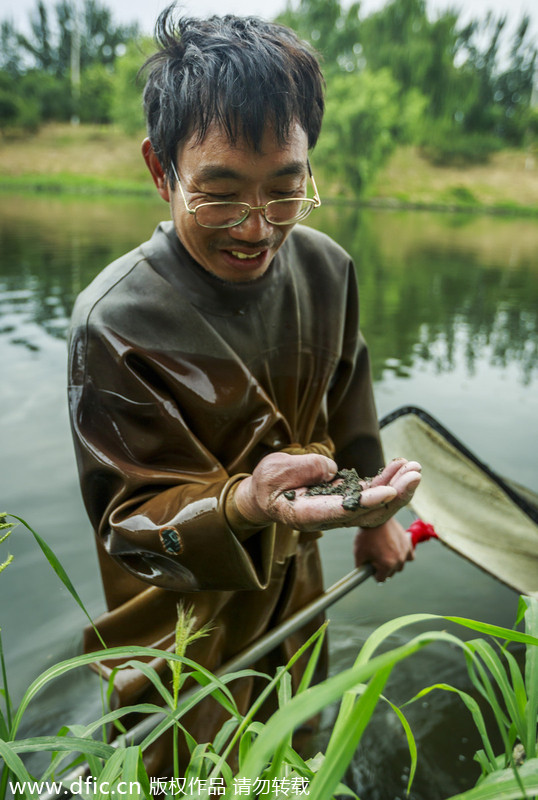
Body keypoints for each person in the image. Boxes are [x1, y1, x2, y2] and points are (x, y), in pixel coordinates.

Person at [68, 5, 421, 776]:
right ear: (161, 171)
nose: (257, 228)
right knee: (182, 769)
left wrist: (373, 512)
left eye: (285, 191)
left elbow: (348, 388)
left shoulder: (327, 270)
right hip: (181, 617)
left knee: (294, 750)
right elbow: (128, 522)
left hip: (297, 580)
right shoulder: (114, 320)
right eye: (219, 194)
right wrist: (243, 504)